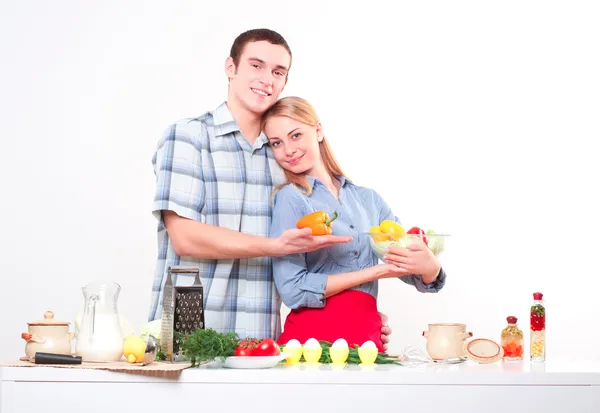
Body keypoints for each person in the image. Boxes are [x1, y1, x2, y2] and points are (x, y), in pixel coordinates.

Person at [149, 29, 392, 346]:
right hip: (188, 333)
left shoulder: (287, 157)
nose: (267, 79)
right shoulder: (189, 137)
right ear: (231, 68)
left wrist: (358, 312)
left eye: (278, 72)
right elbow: (184, 237)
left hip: (261, 342)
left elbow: (322, 255)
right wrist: (275, 246)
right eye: (256, 65)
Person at [264, 97, 447, 352]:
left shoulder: (368, 200)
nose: (288, 150)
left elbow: (411, 268)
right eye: (276, 143)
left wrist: (431, 268)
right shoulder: (290, 198)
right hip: (310, 344)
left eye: (296, 135)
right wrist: (374, 272)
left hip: (367, 341)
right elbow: (293, 290)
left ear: (318, 131)